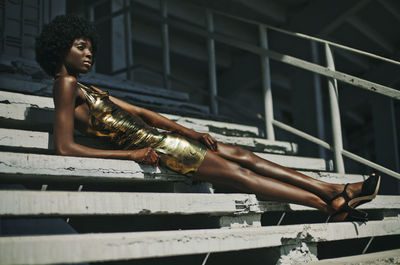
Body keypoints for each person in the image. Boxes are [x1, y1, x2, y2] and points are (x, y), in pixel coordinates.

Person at [35, 14, 380, 222]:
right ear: (60, 48)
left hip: (168, 140)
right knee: (240, 173)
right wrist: (132, 154)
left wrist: (189, 129)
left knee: (244, 156)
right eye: (81, 46)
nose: (89, 52)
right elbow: (65, 149)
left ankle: (335, 189)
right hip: (160, 149)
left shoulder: (87, 87)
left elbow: (140, 112)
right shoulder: (64, 85)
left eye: (90, 47)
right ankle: (326, 204)